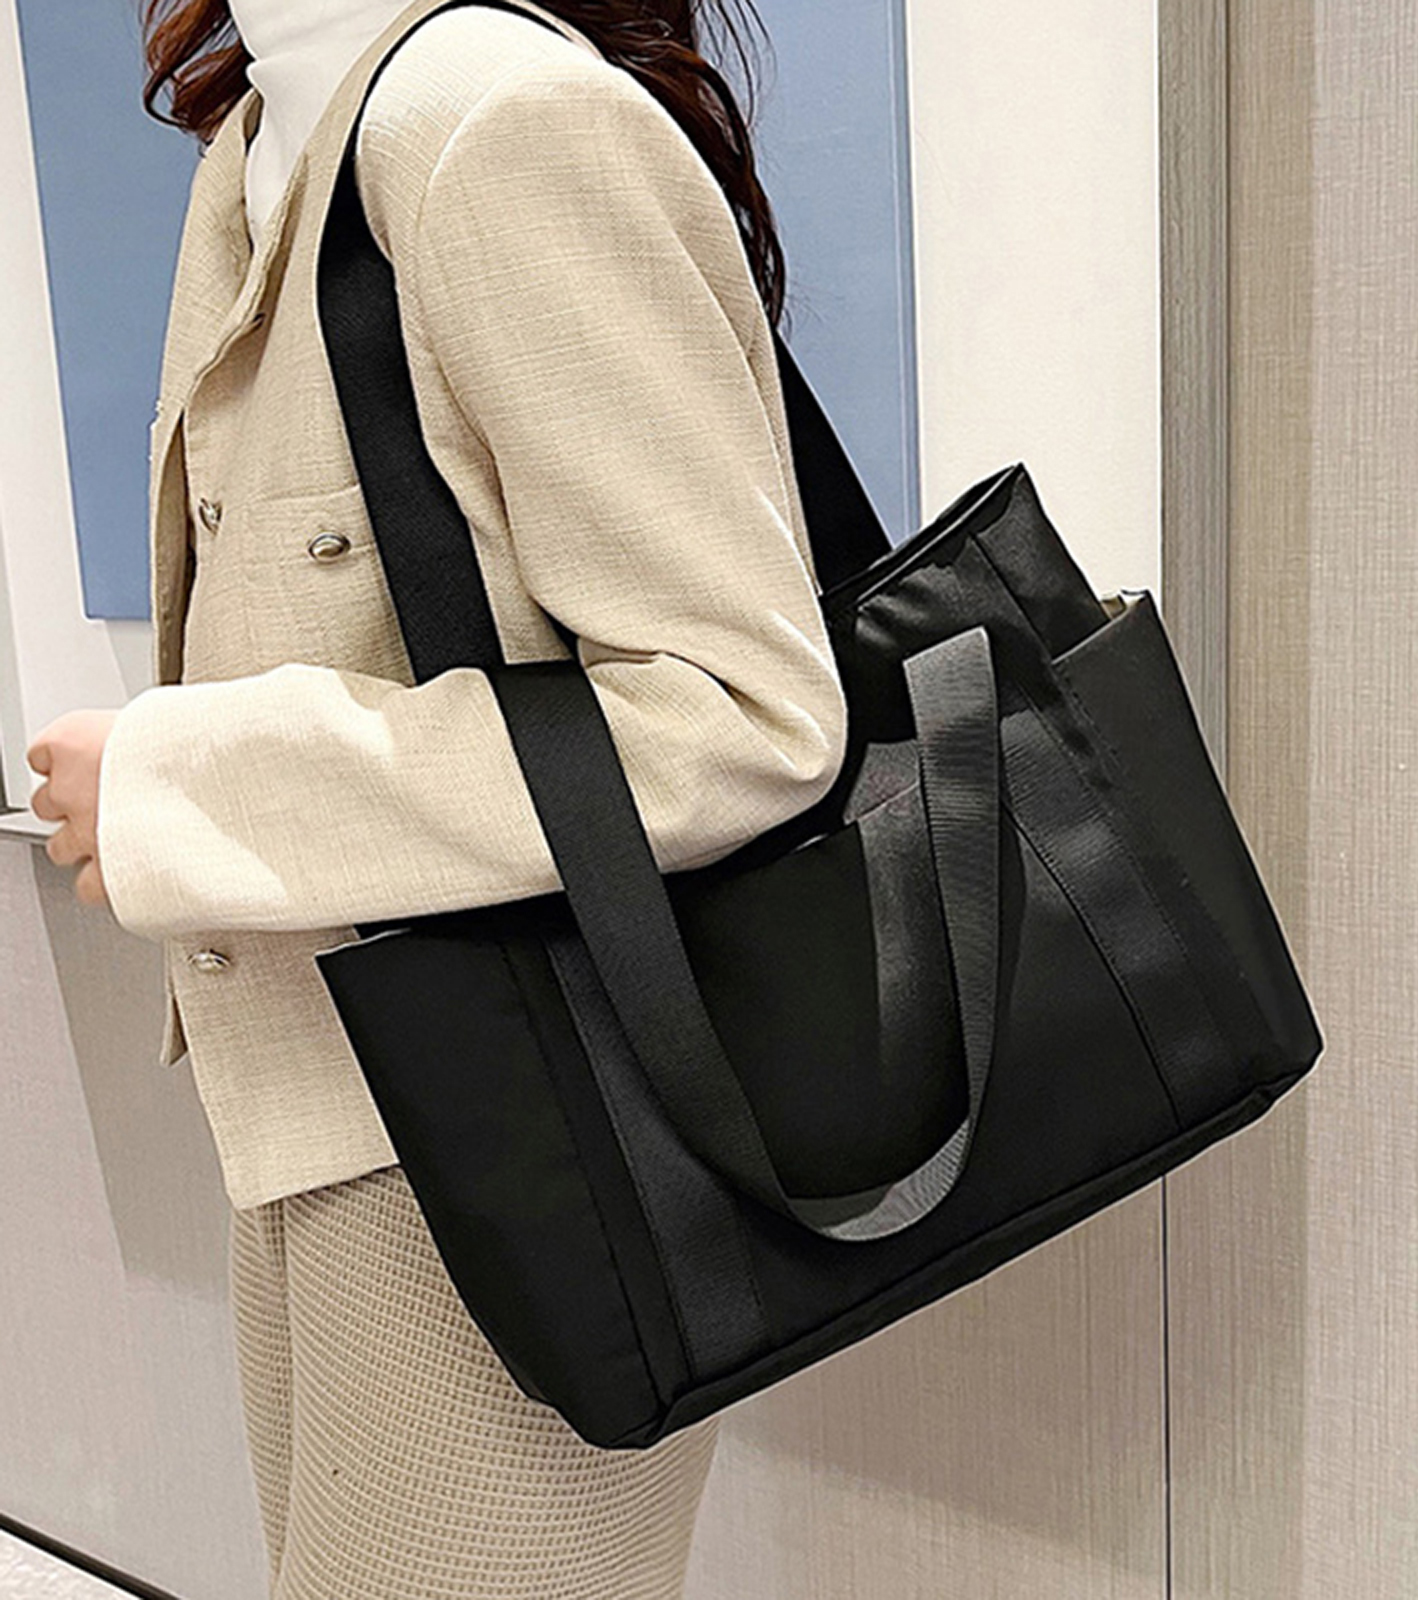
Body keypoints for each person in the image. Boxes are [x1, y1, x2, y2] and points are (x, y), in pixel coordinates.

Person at [24, 0, 847, 1593]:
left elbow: (739, 710)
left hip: (525, 1156)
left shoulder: (496, 121)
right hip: (326, 1121)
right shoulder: (265, 137)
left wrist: (193, 787)